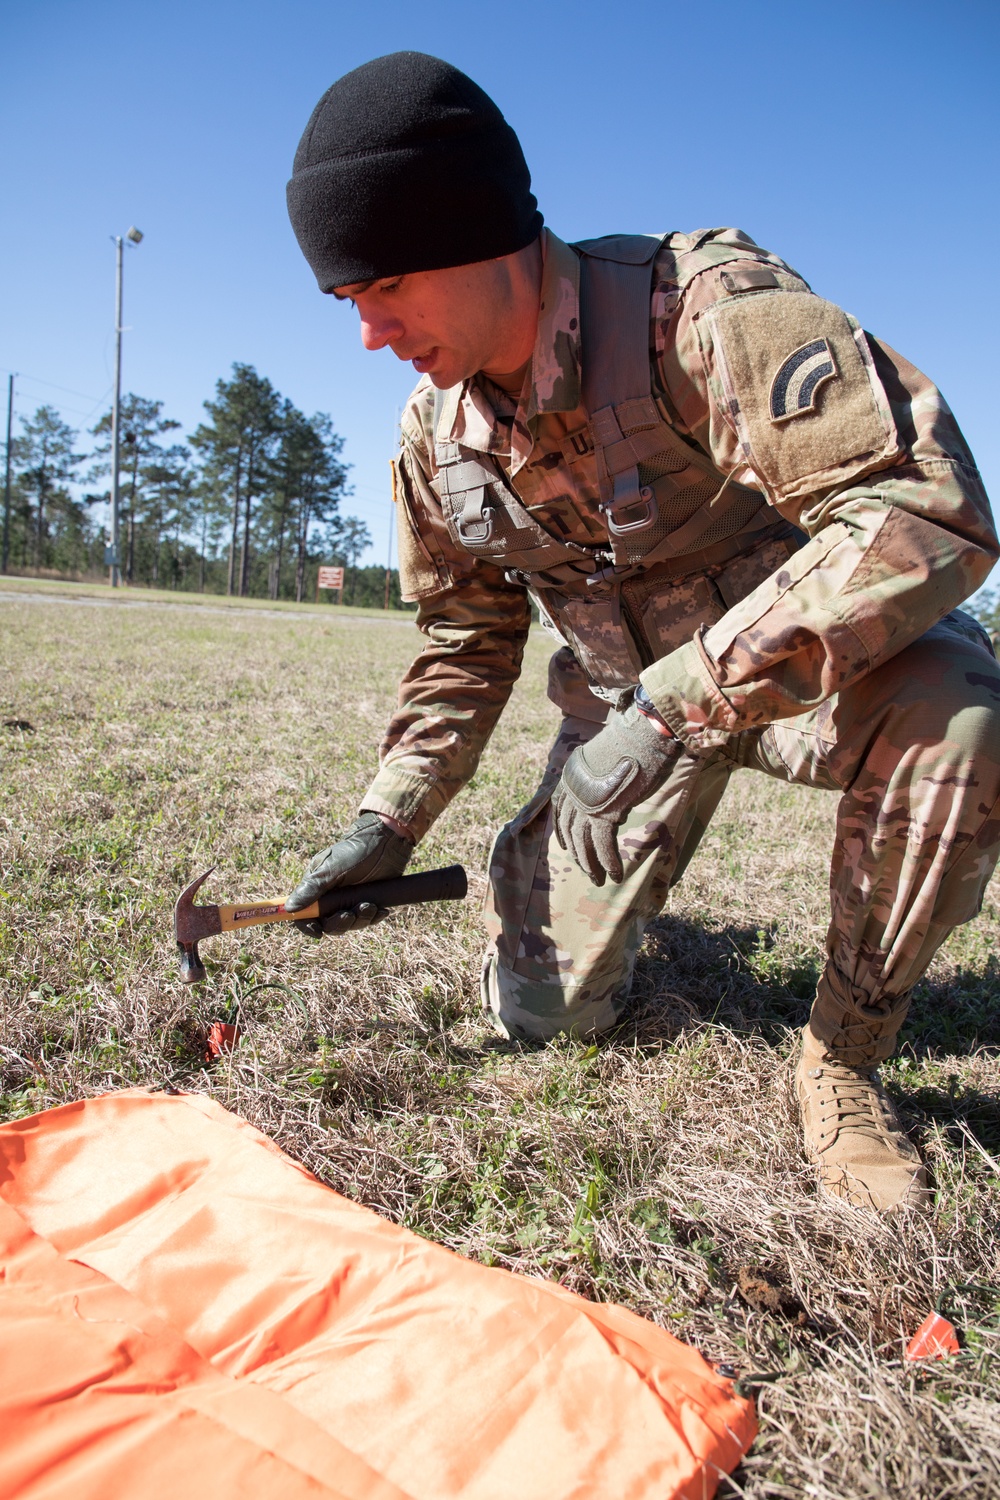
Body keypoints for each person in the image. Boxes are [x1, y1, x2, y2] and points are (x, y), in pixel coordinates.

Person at [283, 51, 1000, 1214]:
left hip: (800, 684)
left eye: (388, 283)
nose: (369, 332)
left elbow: (921, 512)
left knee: (961, 724)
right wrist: (388, 816)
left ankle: (842, 1057)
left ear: (479, 231)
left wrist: (684, 702)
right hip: (624, 725)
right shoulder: (434, 441)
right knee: (546, 1021)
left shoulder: (699, 310)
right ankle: (574, 916)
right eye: (346, 300)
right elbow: (465, 636)